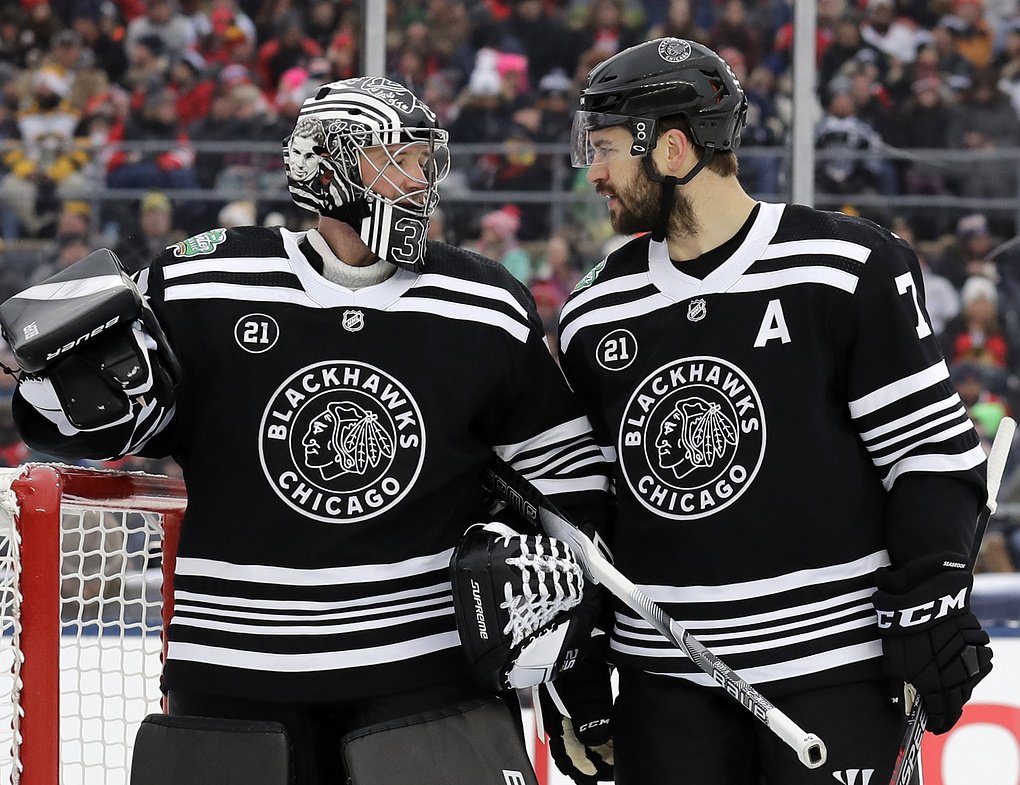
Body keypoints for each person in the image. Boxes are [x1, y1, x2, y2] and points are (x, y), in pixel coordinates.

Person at [8, 77, 609, 785]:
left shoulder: (484, 301)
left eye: (426, 161)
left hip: (423, 671)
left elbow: (568, 482)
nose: (423, 181)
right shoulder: (205, 282)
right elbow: (92, 420)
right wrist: (58, 386)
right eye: (401, 160)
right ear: (330, 168)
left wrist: (578, 689)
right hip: (236, 673)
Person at [544, 38, 994, 785]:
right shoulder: (596, 309)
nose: (592, 172)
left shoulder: (845, 267)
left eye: (606, 149)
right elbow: (583, 510)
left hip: (835, 672)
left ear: (672, 148)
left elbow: (929, 456)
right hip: (667, 687)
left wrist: (930, 602)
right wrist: (581, 674)